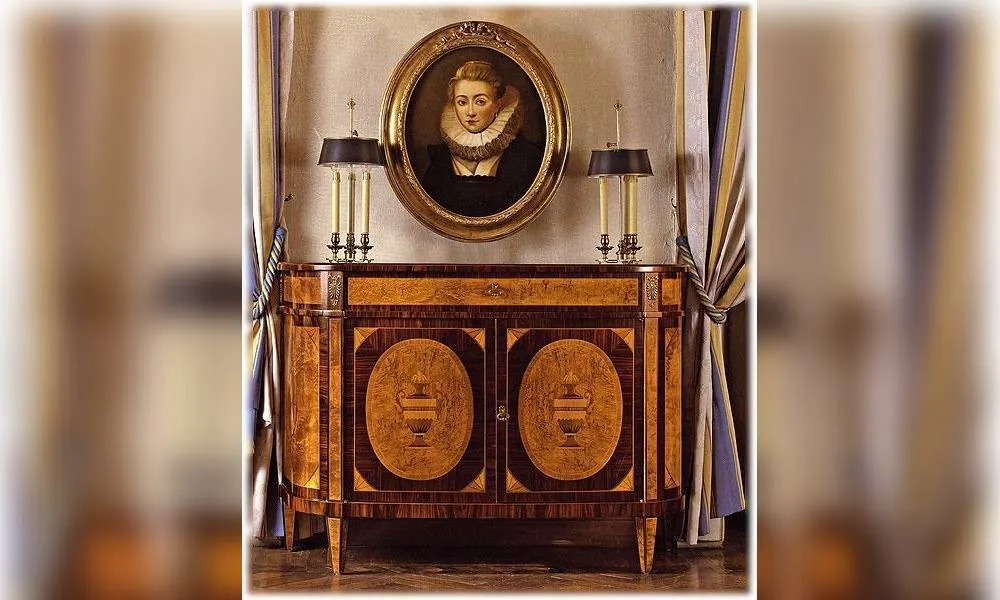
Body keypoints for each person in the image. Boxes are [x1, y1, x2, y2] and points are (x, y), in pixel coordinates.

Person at [421, 60, 543, 217]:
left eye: (480, 102)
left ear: (498, 104)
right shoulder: (440, 158)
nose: (470, 112)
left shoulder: (525, 155)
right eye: (462, 102)